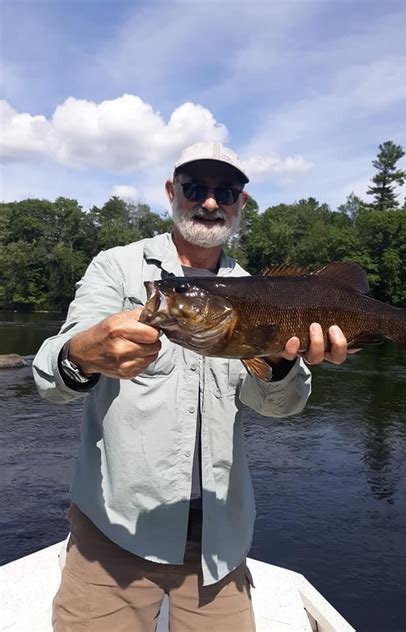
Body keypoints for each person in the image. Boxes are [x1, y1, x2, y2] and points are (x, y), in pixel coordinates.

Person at [33, 141, 349, 632]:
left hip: (218, 548)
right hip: (113, 537)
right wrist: (81, 354)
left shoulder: (260, 289)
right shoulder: (117, 268)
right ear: (171, 192)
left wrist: (282, 363)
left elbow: (284, 406)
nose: (209, 202)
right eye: (196, 187)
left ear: (241, 203)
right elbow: (49, 378)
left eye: (225, 191)